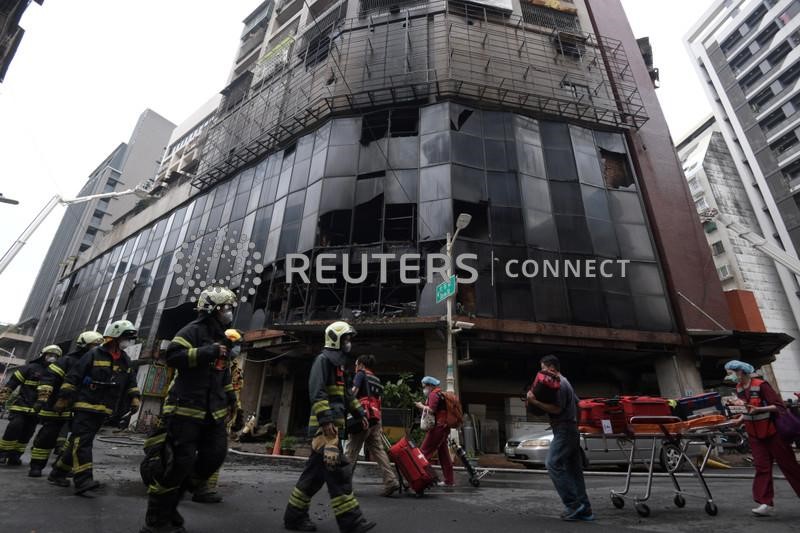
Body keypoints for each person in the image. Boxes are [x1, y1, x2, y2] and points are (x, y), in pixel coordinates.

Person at [140, 287, 239, 533]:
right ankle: (157, 520)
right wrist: (208, 352)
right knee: (176, 465)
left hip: (212, 412)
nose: (229, 313)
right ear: (212, 309)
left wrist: (231, 397)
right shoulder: (191, 331)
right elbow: (173, 357)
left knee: (215, 455)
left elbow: (222, 372)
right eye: (225, 308)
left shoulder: (221, 338)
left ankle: (173, 501)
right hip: (185, 410)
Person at [283, 321, 375, 533]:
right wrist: (325, 423)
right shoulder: (322, 361)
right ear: (336, 339)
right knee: (339, 472)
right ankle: (352, 523)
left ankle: (294, 517)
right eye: (346, 339)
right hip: (325, 430)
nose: (349, 343)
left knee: (314, 476)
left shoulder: (338, 366)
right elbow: (318, 393)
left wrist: (360, 413)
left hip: (332, 428)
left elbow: (347, 395)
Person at [48, 321, 141, 494]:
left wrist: (134, 398)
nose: (127, 342)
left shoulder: (125, 359)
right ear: (114, 336)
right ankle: (83, 480)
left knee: (79, 440)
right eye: (125, 337)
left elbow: (130, 381)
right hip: (85, 405)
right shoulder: (94, 354)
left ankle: (57, 473)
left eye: (129, 338)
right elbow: (74, 376)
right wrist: (63, 399)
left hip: (104, 409)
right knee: (82, 441)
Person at [724, 360, 800, 517]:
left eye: (731, 372)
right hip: (755, 434)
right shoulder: (738, 389)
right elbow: (746, 410)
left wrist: (759, 409)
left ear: (740, 372)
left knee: (789, 466)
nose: (729, 376)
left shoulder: (761, 385)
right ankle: (765, 503)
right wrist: (738, 420)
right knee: (761, 467)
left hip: (773, 433)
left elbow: (779, 407)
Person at [526, 354, 593, 522]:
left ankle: (573, 504)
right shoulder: (565, 382)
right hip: (568, 429)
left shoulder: (560, 384)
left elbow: (556, 410)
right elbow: (578, 403)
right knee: (574, 471)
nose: (542, 374)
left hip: (565, 429)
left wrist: (535, 401)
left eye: (543, 369)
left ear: (551, 369)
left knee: (552, 463)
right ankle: (585, 509)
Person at [28, 331, 104, 477]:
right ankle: (36, 466)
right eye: (95, 345)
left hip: (79, 407)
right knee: (47, 436)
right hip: (57, 405)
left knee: (74, 441)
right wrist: (43, 398)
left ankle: (62, 467)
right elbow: (49, 378)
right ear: (84, 345)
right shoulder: (67, 361)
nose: (98, 348)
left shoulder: (96, 364)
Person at [191, 327, 246, 505]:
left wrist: (236, 408)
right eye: (235, 344)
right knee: (192, 448)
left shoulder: (232, 364)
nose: (237, 349)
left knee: (215, 450)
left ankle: (205, 487)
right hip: (200, 409)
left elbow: (231, 387)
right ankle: (187, 483)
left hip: (220, 411)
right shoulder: (209, 358)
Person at [345, 354, 399, 497]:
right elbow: (379, 401)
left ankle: (343, 485)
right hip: (375, 419)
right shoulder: (377, 379)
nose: (355, 367)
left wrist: (345, 403)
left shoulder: (360, 375)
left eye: (356, 364)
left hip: (362, 417)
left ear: (361, 365)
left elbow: (353, 393)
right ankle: (391, 481)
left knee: (352, 450)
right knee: (378, 451)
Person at [0, 345, 62, 466]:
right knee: (15, 427)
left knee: (27, 433)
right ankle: (3, 453)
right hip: (21, 405)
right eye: (50, 355)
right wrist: (2, 399)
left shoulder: (56, 373)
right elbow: (11, 385)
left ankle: (15, 456)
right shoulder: (28, 368)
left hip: (38, 409)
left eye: (55, 356)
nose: (52, 358)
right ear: (43, 355)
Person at [414, 375, 454, 487]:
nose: (424, 389)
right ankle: (449, 481)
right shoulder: (440, 394)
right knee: (444, 455)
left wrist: (420, 406)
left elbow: (431, 410)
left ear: (430, 385)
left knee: (424, 452)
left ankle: (422, 478)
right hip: (444, 428)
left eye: (425, 386)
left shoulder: (433, 395)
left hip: (438, 428)